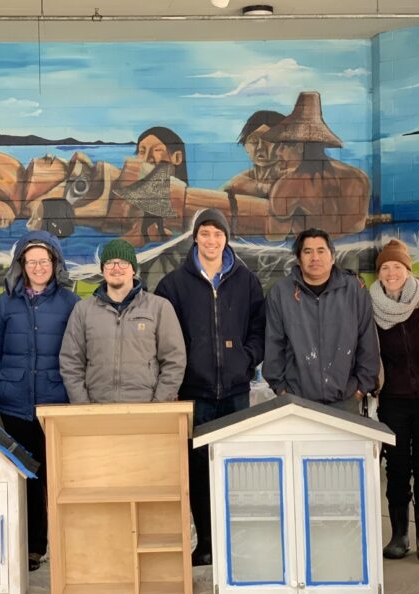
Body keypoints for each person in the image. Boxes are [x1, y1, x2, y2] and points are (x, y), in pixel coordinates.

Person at [155, 208, 265, 566]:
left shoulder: (246, 281)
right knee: (199, 472)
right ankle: (205, 543)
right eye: (205, 234)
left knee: (236, 468)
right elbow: (163, 338)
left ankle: (237, 541)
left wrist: (246, 359)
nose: (212, 240)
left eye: (218, 234)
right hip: (195, 394)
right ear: (195, 238)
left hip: (235, 393)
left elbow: (259, 328)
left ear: (226, 239)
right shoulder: (173, 284)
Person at [0, 230, 79, 571]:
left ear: (55, 264)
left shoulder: (70, 303)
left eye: (44, 260)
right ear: (21, 265)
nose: (38, 267)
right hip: (16, 405)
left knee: (61, 478)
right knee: (28, 478)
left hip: (57, 405)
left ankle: (67, 542)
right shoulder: (5, 303)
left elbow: (83, 349)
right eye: (31, 261)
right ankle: (34, 546)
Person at [369, 239, 419, 562]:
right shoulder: (369, 304)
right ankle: (399, 535)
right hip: (393, 399)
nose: (391, 273)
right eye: (385, 268)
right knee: (397, 467)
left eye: (397, 267)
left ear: (407, 269)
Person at [263, 228, 379, 412]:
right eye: (307, 251)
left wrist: (360, 390)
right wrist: (282, 390)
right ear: (299, 259)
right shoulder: (281, 293)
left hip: (346, 400)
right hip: (296, 401)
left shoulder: (354, 290)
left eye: (321, 251)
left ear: (332, 257)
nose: (314, 257)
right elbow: (273, 345)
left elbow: (368, 342)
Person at [59, 238, 185, 403]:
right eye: (110, 263)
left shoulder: (159, 308)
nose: (116, 268)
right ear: (103, 269)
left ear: (133, 269)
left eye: (123, 262)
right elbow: (71, 363)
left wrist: (158, 405)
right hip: (97, 410)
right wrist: (84, 406)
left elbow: (174, 360)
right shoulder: (83, 310)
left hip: (145, 409)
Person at [261, 92, 371, 239]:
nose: (279, 152)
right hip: (350, 255)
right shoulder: (358, 177)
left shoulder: (287, 186)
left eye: (283, 146)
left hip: (310, 256)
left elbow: (275, 237)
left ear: (299, 146)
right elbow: (357, 228)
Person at [223, 110, 286, 198]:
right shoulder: (238, 180)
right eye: (254, 140)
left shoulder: (292, 180)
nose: (260, 147)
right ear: (245, 145)